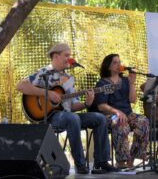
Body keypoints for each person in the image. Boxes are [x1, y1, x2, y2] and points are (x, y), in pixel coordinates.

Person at [16, 43, 118, 174]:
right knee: (72, 118)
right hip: (49, 117)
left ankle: (101, 162)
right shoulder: (43, 72)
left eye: (69, 55)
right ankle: (80, 164)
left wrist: (86, 103)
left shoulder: (69, 79)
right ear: (55, 56)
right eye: (66, 55)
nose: (69, 58)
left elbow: (73, 106)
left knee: (99, 118)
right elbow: (21, 86)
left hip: (68, 116)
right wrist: (47, 93)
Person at [93, 54, 149, 169]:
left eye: (119, 62)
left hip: (127, 114)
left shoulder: (125, 81)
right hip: (110, 116)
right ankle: (121, 161)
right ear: (108, 66)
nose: (119, 64)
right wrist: (117, 112)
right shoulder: (102, 83)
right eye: (115, 62)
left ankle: (132, 157)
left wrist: (132, 83)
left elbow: (133, 100)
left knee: (143, 121)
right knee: (121, 123)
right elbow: (101, 106)